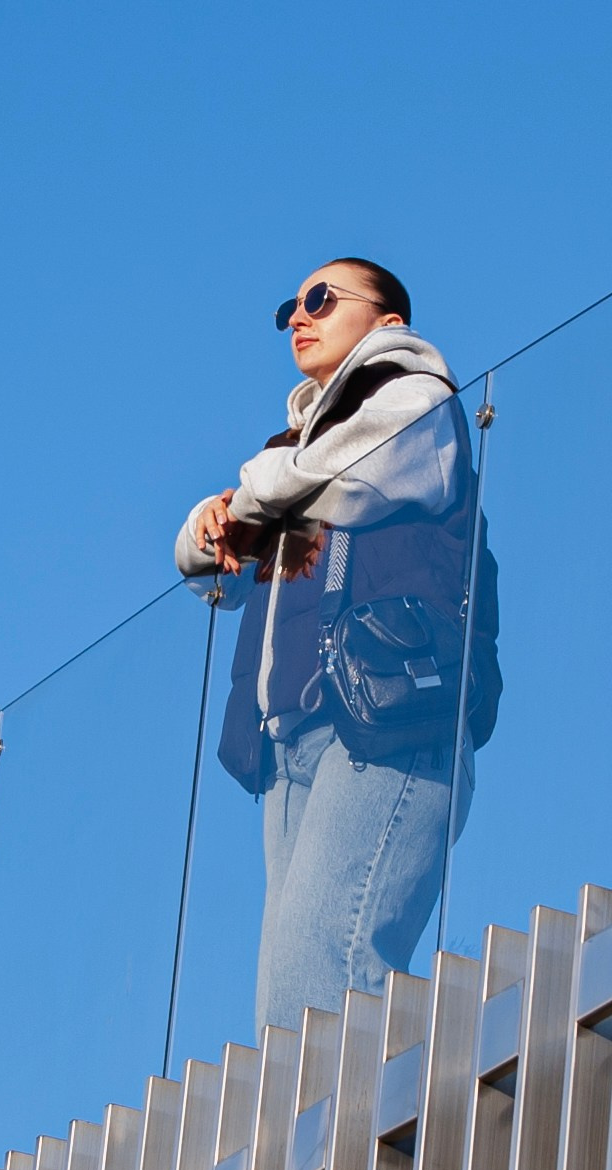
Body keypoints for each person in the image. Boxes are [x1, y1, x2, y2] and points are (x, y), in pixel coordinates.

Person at [174, 257, 500, 1032]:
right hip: (291, 748)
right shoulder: (293, 459)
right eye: (292, 303)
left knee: (322, 983)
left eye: (321, 299)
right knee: (286, 1018)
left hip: (384, 723)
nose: (298, 316)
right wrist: (206, 521)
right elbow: (210, 567)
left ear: (387, 322)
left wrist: (253, 491)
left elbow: (359, 474)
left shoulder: (416, 397)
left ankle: (367, 1151)